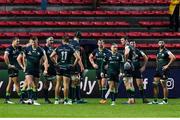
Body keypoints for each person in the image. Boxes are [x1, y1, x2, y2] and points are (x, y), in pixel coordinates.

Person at [18, 36, 48, 105]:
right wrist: (24, 66)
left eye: (35, 41)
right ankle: (32, 100)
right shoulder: (27, 49)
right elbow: (24, 57)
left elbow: (45, 60)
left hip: (37, 69)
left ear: (37, 42)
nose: (33, 43)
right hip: (29, 69)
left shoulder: (41, 50)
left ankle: (32, 99)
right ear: (31, 42)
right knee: (31, 83)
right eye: (32, 41)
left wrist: (46, 69)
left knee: (36, 86)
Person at [50, 36, 79, 105]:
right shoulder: (71, 48)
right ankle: (66, 100)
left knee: (58, 84)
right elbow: (78, 58)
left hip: (59, 67)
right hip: (67, 67)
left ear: (62, 41)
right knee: (66, 84)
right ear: (68, 41)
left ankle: (56, 100)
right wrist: (73, 65)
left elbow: (51, 56)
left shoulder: (58, 47)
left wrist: (56, 63)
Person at [89, 39, 109, 104]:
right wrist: (93, 64)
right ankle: (102, 98)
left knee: (103, 84)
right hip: (97, 70)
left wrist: (108, 64)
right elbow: (90, 57)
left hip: (104, 69)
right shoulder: (95, 51)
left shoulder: (107, 51)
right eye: (99, 43)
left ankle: (104, 99)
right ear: (97, 44)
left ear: (103, 44)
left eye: (101, 43)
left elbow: (111, 57)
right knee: (100, 85)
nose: (100, 44)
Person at [4, 37, 23, 104]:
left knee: (10, 83)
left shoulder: (18, 48)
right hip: (12, 68)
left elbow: (26, 46)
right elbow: (5, 56)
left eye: (19, 41)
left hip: (15, 68)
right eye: (17, 41)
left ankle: (7, 99)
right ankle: (21, 99)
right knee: (17, 83)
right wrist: (9, 65)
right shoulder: (9, 48)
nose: (18, 42)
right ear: (13, 41)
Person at [69, 32, 86, 104]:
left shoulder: (70, 43)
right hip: (75, 65)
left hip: (69, 64)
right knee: (75, 81)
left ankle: (77, 98)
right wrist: (82, 66)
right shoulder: (76, 44)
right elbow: (78, 57)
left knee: (74, 81)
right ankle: (74, 99)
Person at [120, 36, 136, 104]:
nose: (121, 42)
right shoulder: (131, 47)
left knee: (127, 83)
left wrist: (126, 61)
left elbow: (126, 53)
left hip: (127, 66)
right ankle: (132, 99)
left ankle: (130, 99)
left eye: (122, 40)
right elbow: (134, 56)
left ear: (126, 40)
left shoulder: (127, 46)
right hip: (131, 65)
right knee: (130, 83)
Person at [42, 37, 56, 104]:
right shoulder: (43, 48)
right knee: (46, 84)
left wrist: (56, 63)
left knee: (55, 84)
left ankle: (56, 99)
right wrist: (44, 66)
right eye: (50, 40)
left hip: (53, 68)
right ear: (46, 41)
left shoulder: (51, 48)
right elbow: (42, 58)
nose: (52, 41)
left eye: (52, 40)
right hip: (47, 69)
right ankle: (46, 99)